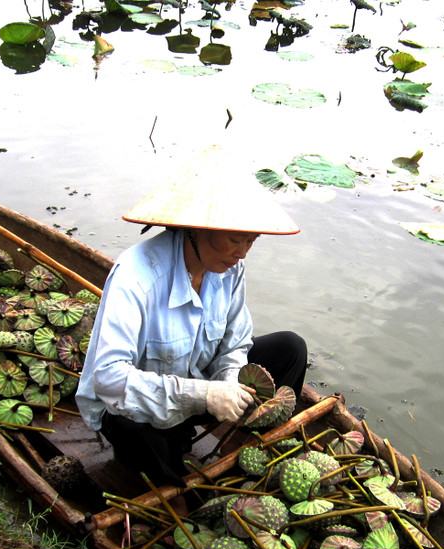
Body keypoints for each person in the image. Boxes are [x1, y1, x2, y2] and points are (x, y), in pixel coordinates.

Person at [76, 146, 308, 487]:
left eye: (251, 241)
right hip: (140, 407)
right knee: (142, 441)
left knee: (291, 348)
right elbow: (109, 380)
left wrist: (230, 382)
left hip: (202, 385)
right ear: (195, 229)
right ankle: (172, 477)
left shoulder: (230, 268)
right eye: (235, 239)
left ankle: (249, 446)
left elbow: (235, 343)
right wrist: (204, 395)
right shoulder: (136, 277)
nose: (242, 253)